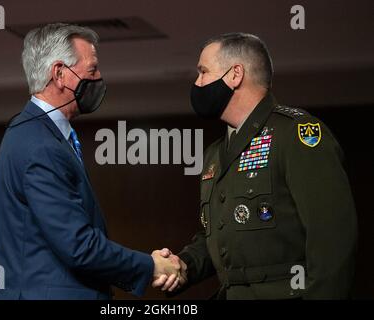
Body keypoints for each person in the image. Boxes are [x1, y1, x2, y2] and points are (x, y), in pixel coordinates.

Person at [153, 33, 357, 299]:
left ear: (235, 74)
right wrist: (184, 265)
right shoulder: (215, 153)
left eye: (203, 72)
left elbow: (333, 242)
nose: (197, 83)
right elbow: (218, 235)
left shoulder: (295, 134)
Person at [0, 23, 182, 300]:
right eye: (92, 70)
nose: (99, 78)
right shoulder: (39, 144)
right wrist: (151, 265)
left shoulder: (37, 133)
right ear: (59, 74)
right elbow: (79, 246)